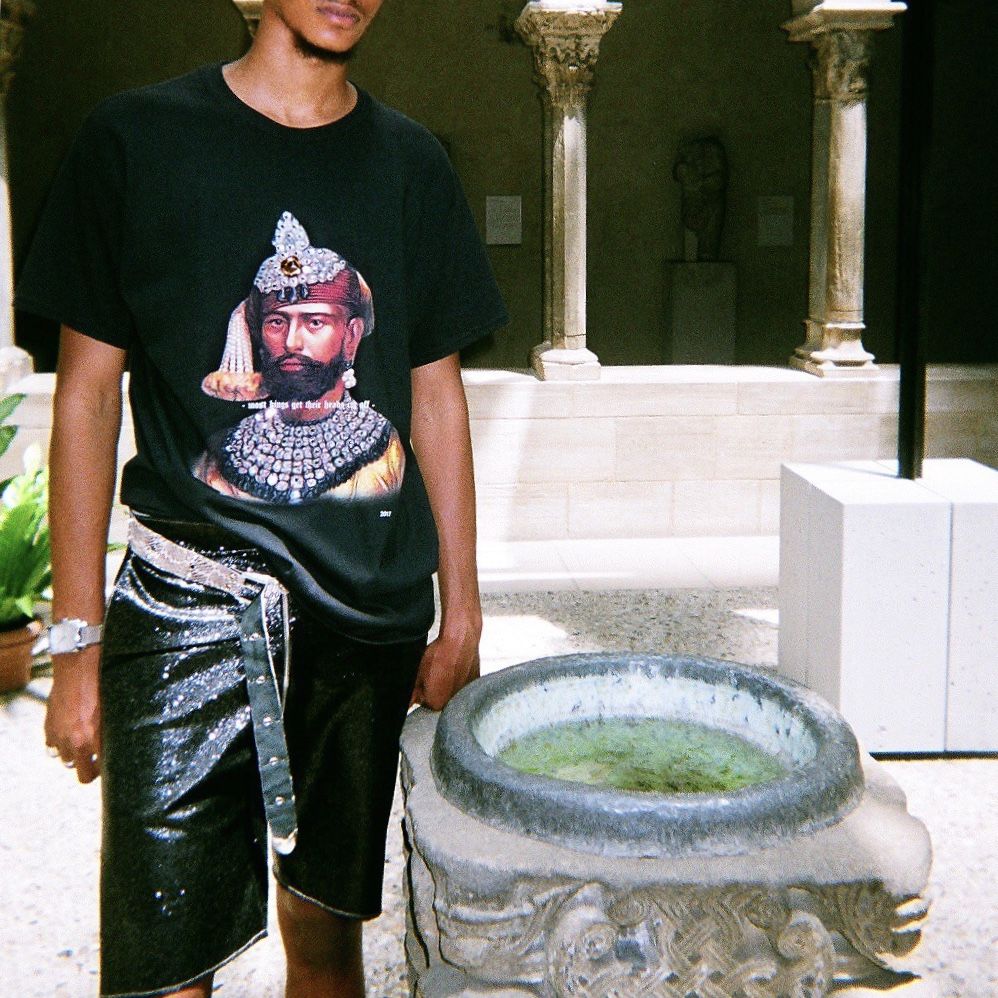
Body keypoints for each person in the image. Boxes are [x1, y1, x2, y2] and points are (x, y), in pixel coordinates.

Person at [14, 1, 507, 996]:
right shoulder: (135, 140)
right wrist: (75, 644)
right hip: (184, 605)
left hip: (363, 615)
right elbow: (85, 396)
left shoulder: (410, 164)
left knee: (324, 939)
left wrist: (462, 609)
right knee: (162, 961)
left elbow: (435, 393)